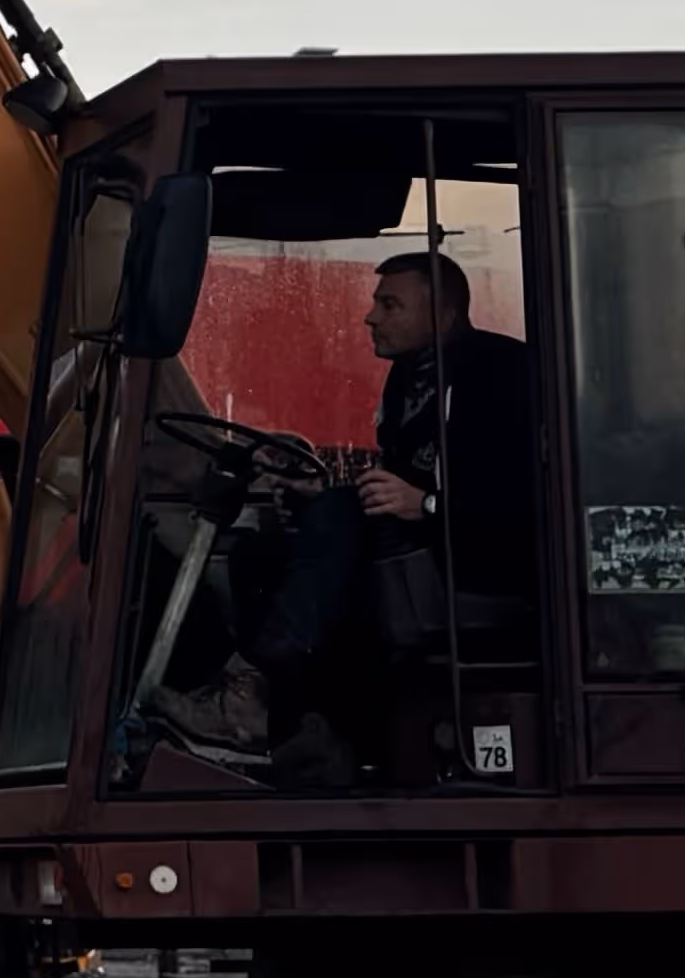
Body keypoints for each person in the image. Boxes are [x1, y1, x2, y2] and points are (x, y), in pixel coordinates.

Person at [155, 251, 534, 760]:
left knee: (337, 520)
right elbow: (403, 473)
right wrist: (332, 489)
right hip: (419, 544)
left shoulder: (499, 374)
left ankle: (253, 699)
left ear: (441, 314)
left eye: (389, 304)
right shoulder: (407, 379)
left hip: (481, 560)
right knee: (260, 552)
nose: (370, 317)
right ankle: (289, 722)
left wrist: (426, 504)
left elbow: (520, 499)